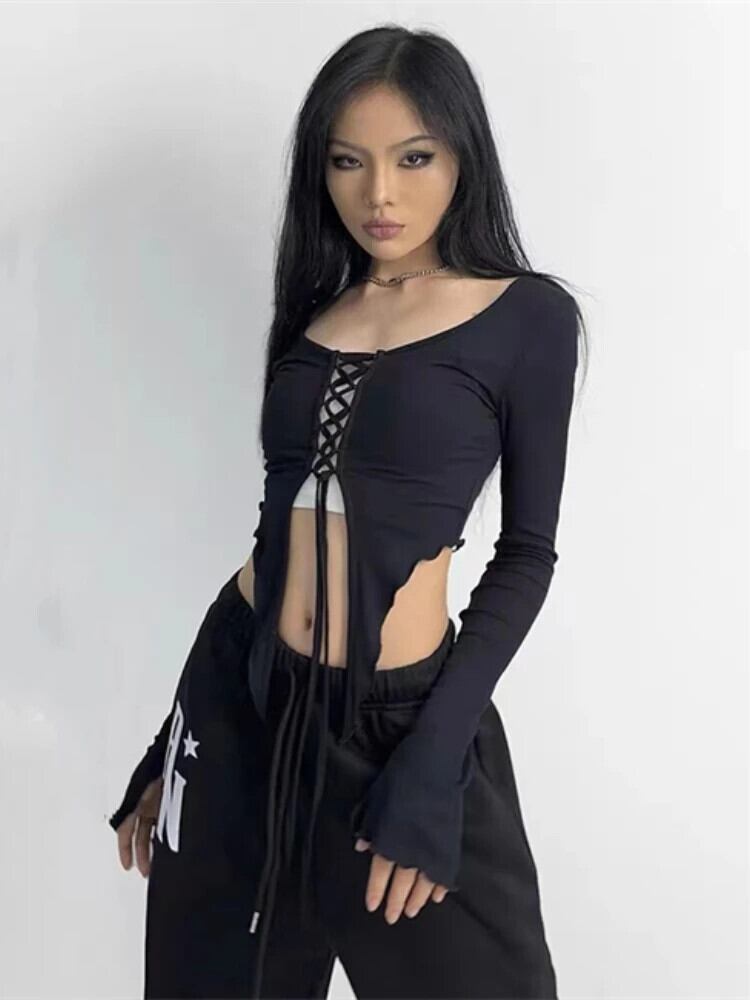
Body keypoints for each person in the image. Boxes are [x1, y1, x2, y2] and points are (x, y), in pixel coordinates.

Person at [108, 23, 587, 1000]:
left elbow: (526, 554)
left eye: (413, 158)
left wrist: (434, 759)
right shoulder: (315, 311)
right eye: (347, 161)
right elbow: (269, 544)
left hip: (397, 732)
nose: (379, 195)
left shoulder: (527, 318)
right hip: (242, 713)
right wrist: (175, 735)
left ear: (463, 155)